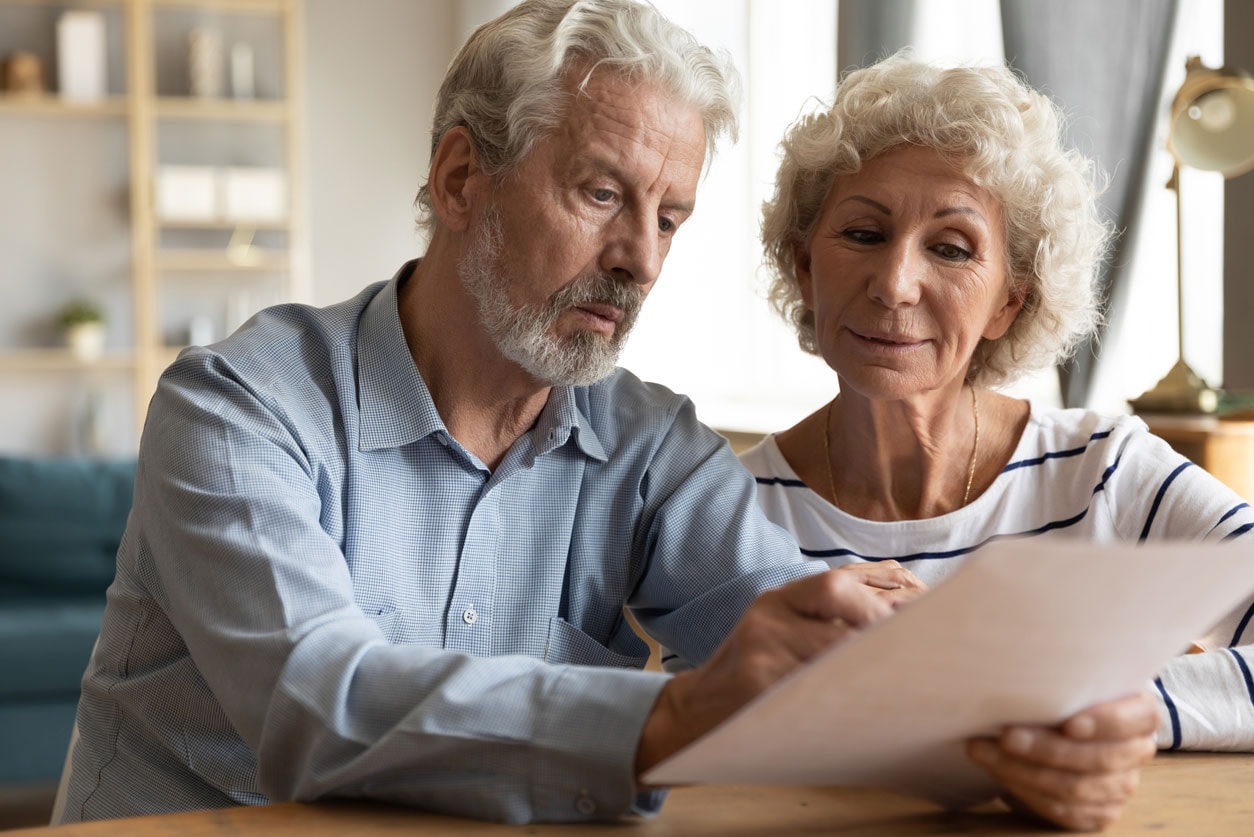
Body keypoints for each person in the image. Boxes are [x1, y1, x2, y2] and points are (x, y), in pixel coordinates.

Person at [56, 4, 1150, 830]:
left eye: (669, 217)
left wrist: (1027, 733)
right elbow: (314, 702)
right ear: (459, 178)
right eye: (599, 195)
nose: (639, 259)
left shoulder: (647, 447)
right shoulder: (239, 407)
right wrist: (674, 716)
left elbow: (821, 658)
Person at [745, 51, 1254, 830]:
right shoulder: (726, 507)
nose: (895, 283)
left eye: (951, 247)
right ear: (804, 263)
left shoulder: (1104, 470)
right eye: (862, 232)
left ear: (1009, 302)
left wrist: (1081, 706)